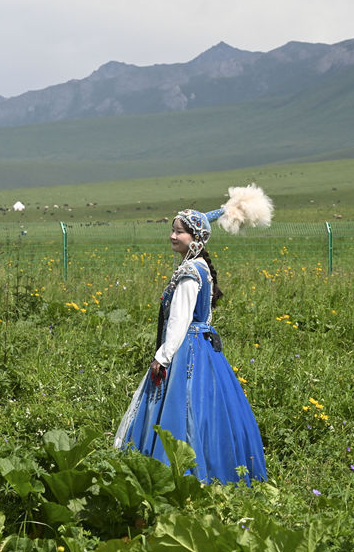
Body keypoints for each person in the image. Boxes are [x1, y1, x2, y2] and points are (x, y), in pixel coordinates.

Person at [114, 186, 272, 485]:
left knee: (182, 411)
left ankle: (178, 475)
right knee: (209, 411)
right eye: (173, 230)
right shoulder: (199, 267)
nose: (173, 236)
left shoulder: (189, 273)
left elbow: (179, 321)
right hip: (204, 349)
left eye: (181, 232)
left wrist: (162, 357)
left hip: (186, 349)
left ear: (195, 239)